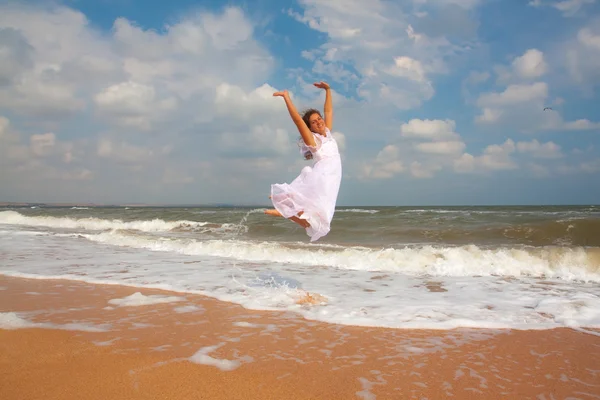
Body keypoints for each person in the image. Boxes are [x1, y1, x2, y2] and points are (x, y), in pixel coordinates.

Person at [264, 81, 342, 242]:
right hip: (325, 176)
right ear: (310, 128)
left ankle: (285, 208)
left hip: (333, 176)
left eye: (319, 119)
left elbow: (329, 110)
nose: (319, 122)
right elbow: (298, 121)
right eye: (314, 122)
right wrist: (287, 98)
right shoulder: (314, 140)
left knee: (315, 221)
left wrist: (328, 90)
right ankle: (285, 206)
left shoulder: (327, 132)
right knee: (321, 215)